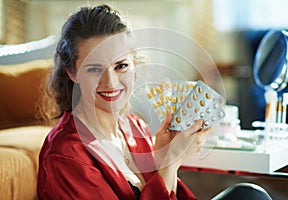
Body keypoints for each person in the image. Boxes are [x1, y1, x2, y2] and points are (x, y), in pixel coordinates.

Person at [37, 4, 209, 200]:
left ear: (134, 64)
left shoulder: (135, 126)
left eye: (121, 66)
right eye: (94, 69)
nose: (110, 82)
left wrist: (162, 161)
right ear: (72, 73)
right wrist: (171, 160)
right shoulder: (65, 156)